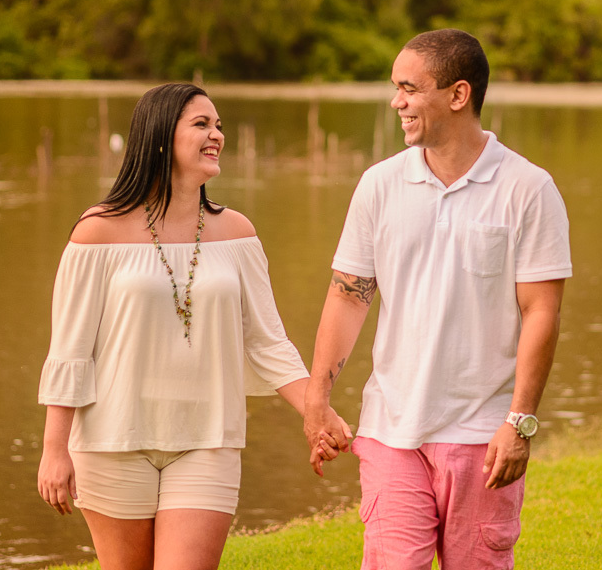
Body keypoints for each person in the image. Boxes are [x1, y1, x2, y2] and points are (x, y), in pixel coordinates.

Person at [37, 82, 349, 570]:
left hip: (208, 440)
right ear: (160, 136)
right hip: (111, 441)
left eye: (219, 125)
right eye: (202, 124)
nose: (217, 135)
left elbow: (267, 343)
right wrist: (55, 449)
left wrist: (316, 409)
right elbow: (70, 350)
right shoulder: (97, 231)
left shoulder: (238, 234)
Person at [303, 29, 572, 569]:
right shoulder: (379, 185)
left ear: (458, 94)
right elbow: (349, 295)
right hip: (390, 430)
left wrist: (520, 422)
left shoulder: (528, 188)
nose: (396, 101)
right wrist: (317, 396)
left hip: (482, 435)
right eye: (395, 87)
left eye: (409, 87)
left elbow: (540, 311)